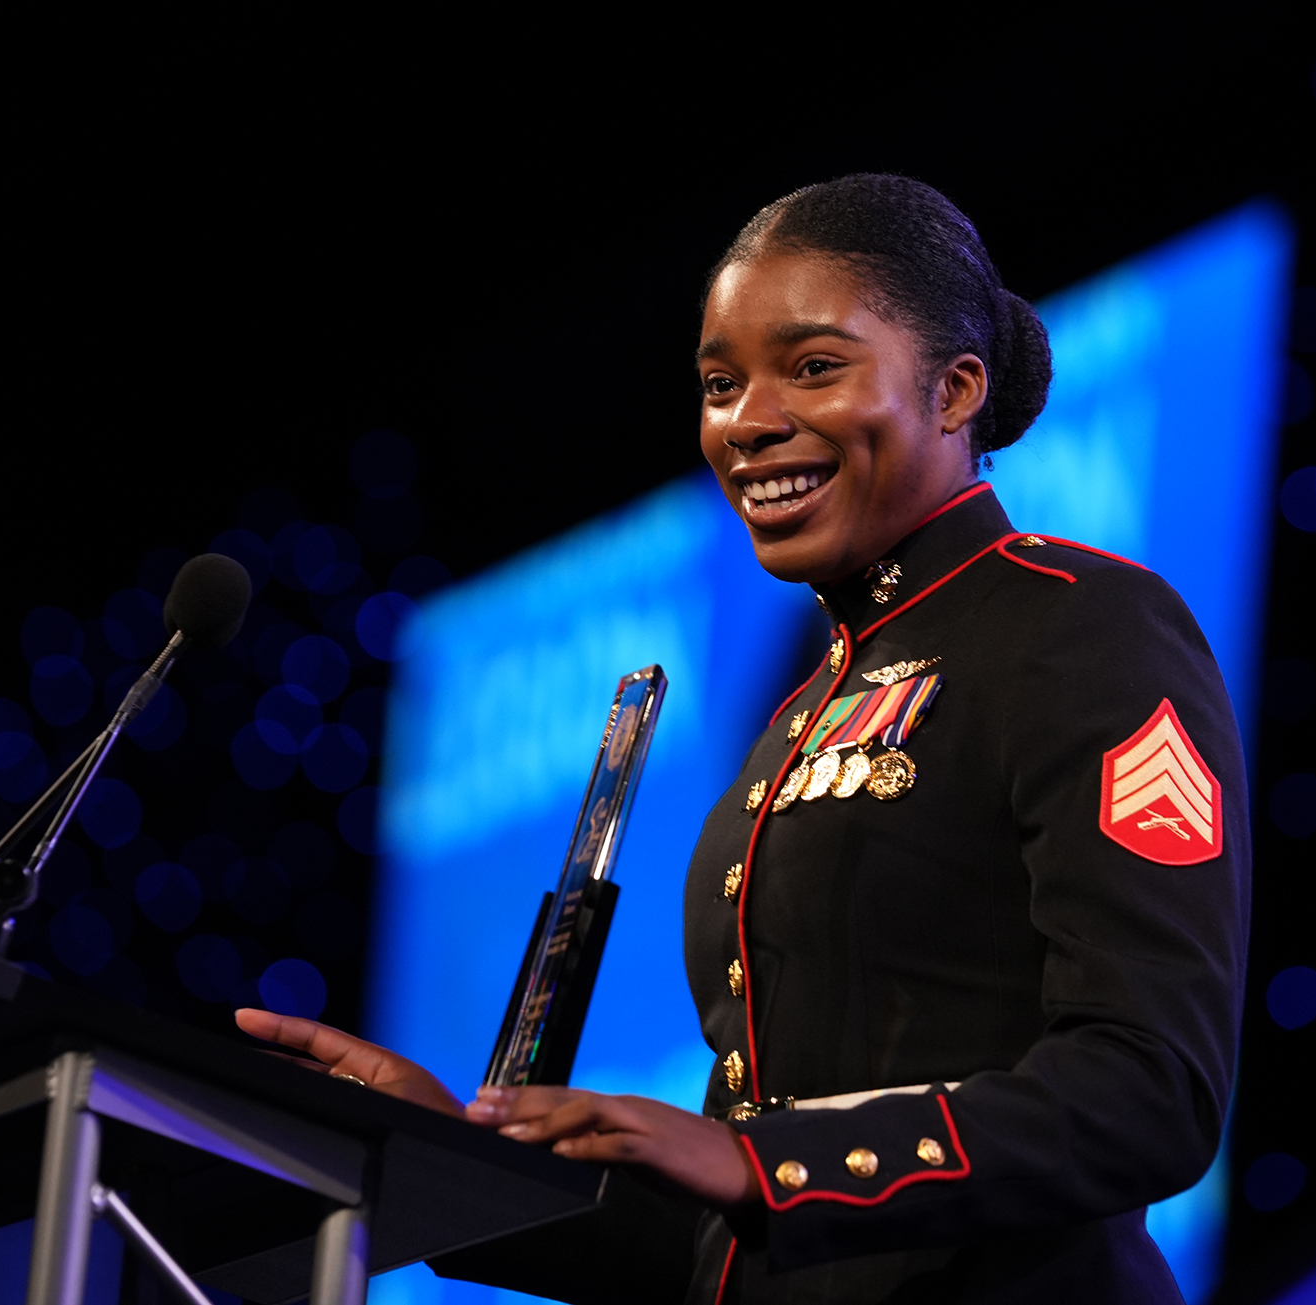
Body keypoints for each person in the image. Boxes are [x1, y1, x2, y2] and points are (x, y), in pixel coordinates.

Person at [236, 174, 1250, 1304]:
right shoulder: (795, 715)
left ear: (956, 389)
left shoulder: (1077, 621)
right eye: (721, 384)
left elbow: (1150, 1091)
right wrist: (440, 1155)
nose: (747, 422)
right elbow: (726, 1245)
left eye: (813, 367)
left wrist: (769, 1167)